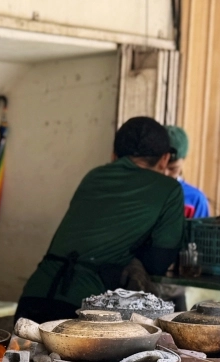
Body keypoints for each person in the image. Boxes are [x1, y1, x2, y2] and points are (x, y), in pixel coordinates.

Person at [15, 117, 186, 323]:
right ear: (165, 159)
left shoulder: (93, 176)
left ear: (114, 156)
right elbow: (157, 263)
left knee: (21, 355)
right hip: (86, 308)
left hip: (35, 295)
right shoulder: (169, 189)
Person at [165, 125, 210, 219]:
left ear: (183, 161)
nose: (165, 173)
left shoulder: (195, 200)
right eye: (160, 167)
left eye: (173, 169)